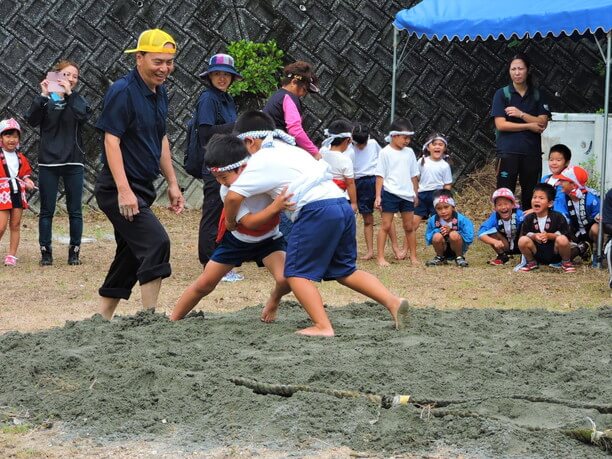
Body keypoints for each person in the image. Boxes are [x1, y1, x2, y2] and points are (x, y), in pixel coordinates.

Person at [225, 110, 410, 337]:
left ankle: (323, 326)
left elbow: (233, 197)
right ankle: (393, 302)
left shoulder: (261, 159)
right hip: (340, 204)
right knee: (346, 270)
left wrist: (231, 223)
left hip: (316, 210)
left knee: (295, 274)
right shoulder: (294, 150)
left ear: (250, 141)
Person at [94, 29, 184, 319]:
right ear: (140, 58)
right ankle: (149, 318)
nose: (164, 68)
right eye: (158, 61)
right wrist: (123, 190)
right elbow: (111, 140)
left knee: (131, 254)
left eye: (169, 62)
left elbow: (161, 138)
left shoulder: (161, 93)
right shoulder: (122, 91)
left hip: (143, 186)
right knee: (157, 243)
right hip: (118, 189)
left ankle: (101, 319)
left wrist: (172, 183)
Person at [170, 135, 291, 322]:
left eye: (223, 177)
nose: (221, 182)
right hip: (237, 240)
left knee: (285, 280)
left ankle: (273, 301)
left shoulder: (265, 176)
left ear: (242, 167)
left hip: (270, 239)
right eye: (216, 177)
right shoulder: (227, 191)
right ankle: (173, 319)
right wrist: (275, 207)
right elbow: (250, 222)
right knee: (205, 283)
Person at [25, 59, 90, 266]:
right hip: (48, 162)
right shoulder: (46, 100)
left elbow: (83, 116)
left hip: (73, 161)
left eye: (75, 76)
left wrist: (70, 94)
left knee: (75, 210)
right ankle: (46, 253)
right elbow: (31, 120)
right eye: (66, 74)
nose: (71, 79)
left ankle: (74, 253)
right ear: (56, 75)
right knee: (46, 210)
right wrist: (43, 95)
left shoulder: (76, 99)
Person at [195, 53, 244, 282]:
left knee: (224, 213)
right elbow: (205, 132)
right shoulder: (208, 99)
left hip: (228, 163)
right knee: (213, 212)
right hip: (214, 164)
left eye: (226, 75)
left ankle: (222, 263)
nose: (222, 78)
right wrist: (237, 126)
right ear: (210, 76)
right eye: (217, 74)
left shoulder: (227, 99)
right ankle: (209, 262)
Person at [492, 52, 551, 209]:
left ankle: (528, 230)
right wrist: (528, 125)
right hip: (508, 153)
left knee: (531, 196)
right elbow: (501, 124)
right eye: (513, 69)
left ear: (528, 70)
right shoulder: (502, 94)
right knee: (504, 195)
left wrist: (521, 114)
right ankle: (505, 229)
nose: (517, 73)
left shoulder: (538, 94)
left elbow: (542, 123)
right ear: (509, 71)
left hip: (531, 153)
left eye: (520, 69)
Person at [375, 118, 420, 266]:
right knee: (386, 225)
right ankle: (380, 257)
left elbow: (414, 174)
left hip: (407, 194)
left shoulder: (410, 153)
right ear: (394, 136)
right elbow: (380, 175)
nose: (407, 141)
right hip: (390, 193)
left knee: (409, 226)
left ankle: (413, 257)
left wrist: (415, 193)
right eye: (404, 138)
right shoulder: (385, 153)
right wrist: (378, 196)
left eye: (409, 138)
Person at [263, 61, 321, 160]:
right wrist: (315, 152)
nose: (303, 94)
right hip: (276, 149)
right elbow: (295, 130)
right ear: (294, 82)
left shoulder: (277, 96)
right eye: (304, 89)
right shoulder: (289, 97)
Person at [0, 119, 36, 266]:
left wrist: (28, 181)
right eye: (7, 136)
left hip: (17, 192)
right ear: (1, 138)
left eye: (15, 136)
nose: (11, 140)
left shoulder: (21, 157)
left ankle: (11, 255)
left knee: (15, 224)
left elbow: (25, 174)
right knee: (1, 226)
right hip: (2, 193)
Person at [517, 182, 574, 272]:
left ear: (550, 203)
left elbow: (566, 236)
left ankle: (565, 262)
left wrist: (549, 236)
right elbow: (526, 234)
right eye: (534, 197)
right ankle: (531, 262)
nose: (536, 200)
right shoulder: (529, 218)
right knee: (522, 240)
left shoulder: (558, 217)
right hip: (537, 251)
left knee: (562, 239)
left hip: (555, 252)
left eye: (541, 198)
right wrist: (534, 236)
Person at [552, 165, 600, 260]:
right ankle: (582, 248)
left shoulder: (591, 199)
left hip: (589, 231)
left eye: (563, 180)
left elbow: (599, 217)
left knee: (596, 229)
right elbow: (561, 218)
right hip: (573, 233)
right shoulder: (562, 198)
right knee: (561, 256)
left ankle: (597, 252)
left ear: (573, 185)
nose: (559, 183)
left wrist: (599, 217)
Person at [349, 123, 382, 260]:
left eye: (364, 143)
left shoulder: (374, 144)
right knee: (367, 218)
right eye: (358, 143)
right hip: (359, 184)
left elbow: (382, 160)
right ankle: (369, 251)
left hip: (375, 181)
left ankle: (395, 247)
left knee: (386, 214)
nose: (361, 146)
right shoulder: (349, 147)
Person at [413, 132, 453, 232]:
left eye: (440, 144)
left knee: (440, 223)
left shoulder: (445, 165)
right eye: (434, 144)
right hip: (422, 196)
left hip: (437, 196)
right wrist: (415, 194)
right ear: (427, 147)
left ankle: (442, 244)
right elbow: (415, 179)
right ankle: (406, 247)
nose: (437, 147)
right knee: (413, 224)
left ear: (444, 148)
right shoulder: (421, 161)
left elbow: (447, 184)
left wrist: (445, 198)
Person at [424, 189, 474, 267]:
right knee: (437, 236)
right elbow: (428, 237)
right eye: (439, 208)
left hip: (458, 246)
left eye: (446, 207)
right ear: (435, 209)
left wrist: (451, 231)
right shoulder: (433, 220)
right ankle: (440, 257)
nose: (443, 211)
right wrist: (439, 231)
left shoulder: (461, 219)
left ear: (453, 207)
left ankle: (459, 257)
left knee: (454, 235)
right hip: (442, 246)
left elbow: (469, 237)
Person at [478, 188, 525, 265]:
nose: (503, 207)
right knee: (490, 232)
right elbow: (481, 233)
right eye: (499, 205)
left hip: (520, 244)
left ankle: (526, 256)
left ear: (513, 204)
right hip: (504, 244)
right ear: (495, 207)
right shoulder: (494, 217)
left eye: (506, 204)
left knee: (526, 225)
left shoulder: (519, 215)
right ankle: (502, 256)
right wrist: (494, 241)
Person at [319, 119, 357, 212]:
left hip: (320, 197)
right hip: (337, 199)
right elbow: (350, 183)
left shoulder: (321, 152)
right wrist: (354, 203)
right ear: (347, 140)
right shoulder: (345, 160)